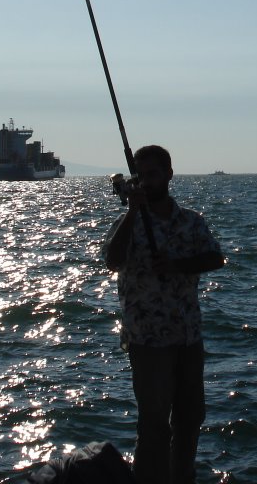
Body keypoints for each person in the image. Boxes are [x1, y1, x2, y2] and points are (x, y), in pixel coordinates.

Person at [102, 145, 225, 484]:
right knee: (154, 424)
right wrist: (132, 212)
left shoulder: (191, 222)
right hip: (147, 338)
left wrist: (176, 266)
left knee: (190, 418)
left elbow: (215, 258)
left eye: (153, 174)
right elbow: (112, 260)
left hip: (187, 335)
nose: (146, 181)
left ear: (169, 174)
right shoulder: (127, 223)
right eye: (140, 176)